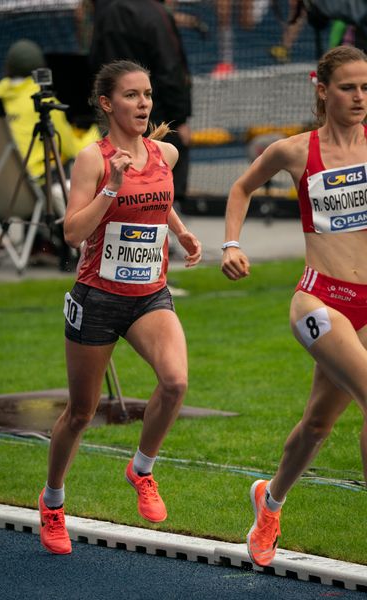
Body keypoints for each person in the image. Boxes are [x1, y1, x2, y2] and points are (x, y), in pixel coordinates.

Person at [38, 59, 202, 554]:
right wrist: (110, 184)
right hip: (99, 296)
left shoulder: (165, 154)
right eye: (132, 95)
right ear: (107, 103)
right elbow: (71, 233)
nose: (144, 103)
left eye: (147, 94)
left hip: (149, 293)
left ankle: (142, 469)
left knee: (175, 382)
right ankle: (52, 502)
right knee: (81, 413)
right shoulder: (93, 159)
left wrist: (180, 230)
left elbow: (157, 197)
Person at [222, 45, 367, 567]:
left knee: (318, 425)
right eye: (348, 87)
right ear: (323, 91)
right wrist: (231, 244)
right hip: (319, 300)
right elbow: (240, 188)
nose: (359, 97)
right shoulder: (295, 151)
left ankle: (270, 502)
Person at [0, 39, 99, 270]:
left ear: (8, 67)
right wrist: (96, 131)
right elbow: (70, 149)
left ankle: (35, 244)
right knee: (63, 168)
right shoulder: (43, 100)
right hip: (29, 191)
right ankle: (70, 250)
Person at [89, 0, 191, 209]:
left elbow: (94, 63)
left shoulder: (106, 12)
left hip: (115, 116)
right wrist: (180, 118)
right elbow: (171, 68)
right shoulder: (154, 13)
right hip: (159, 115)